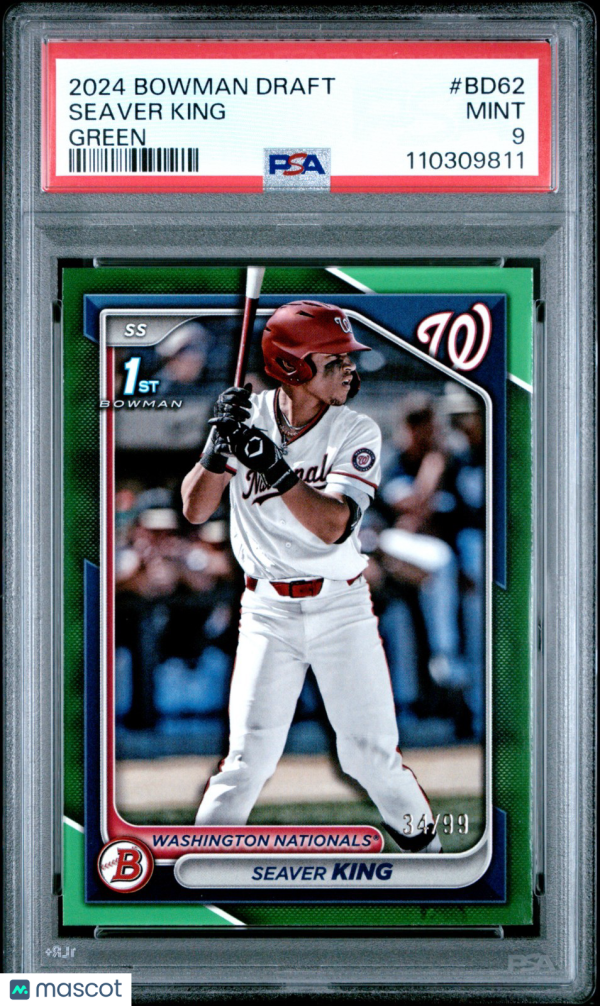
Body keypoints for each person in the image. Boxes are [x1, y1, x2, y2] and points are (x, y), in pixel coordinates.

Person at [181, 300, 441, 852]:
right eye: (335, 359)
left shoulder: (356, 429)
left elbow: (332, 526)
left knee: (369, 757)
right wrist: (216, 449)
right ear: (293, 366)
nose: (350, 368)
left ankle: (434, 858)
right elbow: (195, 509)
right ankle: (198, 876)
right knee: (246, 760)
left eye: (348, 358)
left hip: (340, 608)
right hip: (266, 611)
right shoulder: (247, 416)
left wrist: (272, 465)